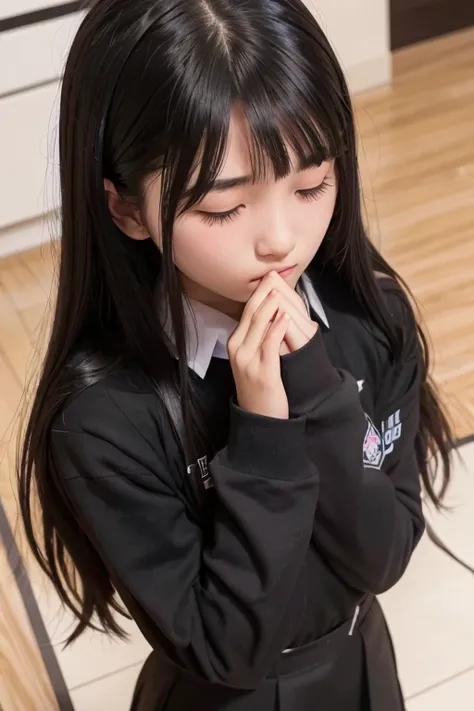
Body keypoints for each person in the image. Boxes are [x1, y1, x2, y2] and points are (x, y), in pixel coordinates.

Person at [17, 1, 456, 709]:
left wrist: (315, 391)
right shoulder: (105, 418)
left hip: (364, 664)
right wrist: (267, 435)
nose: (281, 238)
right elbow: (229, 647)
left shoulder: (368, 316)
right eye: (223, 209)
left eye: (312, 183)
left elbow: (382, 554)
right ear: (126, 209)